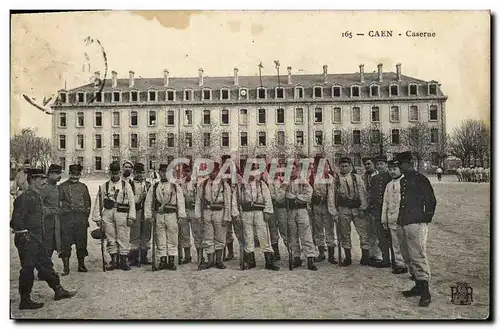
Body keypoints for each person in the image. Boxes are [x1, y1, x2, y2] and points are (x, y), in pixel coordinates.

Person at [10, 168, 77, 310]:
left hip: (37, 239)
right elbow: (15, 222)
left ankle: (58, 290)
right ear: (32, 180)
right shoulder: (24, 198)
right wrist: (25, 235)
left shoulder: (36, 196)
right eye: (40, 178)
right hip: (27, 239)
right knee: (27, 269)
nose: (44, 181)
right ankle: (25, 300)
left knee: (46, 264)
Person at [395, 151, 436, 307]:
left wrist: (426, 218)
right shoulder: (403, 180)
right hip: (403, 221)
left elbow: (431, 200)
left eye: (401, 164)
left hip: (415, 222)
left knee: (418, 255)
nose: (399, 166)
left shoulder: (420, 179)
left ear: (409, 163)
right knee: (407, 256)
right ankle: (418, 285)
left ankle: (425, 291)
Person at [233, 164, 280, 271]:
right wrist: (236, 215)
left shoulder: (261, 184)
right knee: (248, 236)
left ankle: (269, 262)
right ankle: (250, 262)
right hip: (246, 213)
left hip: (260, 213)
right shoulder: (240, 186)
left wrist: (268, 211)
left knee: (264, 235)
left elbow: (267, 198)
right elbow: (234, 201)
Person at [92, 161, 136, 271]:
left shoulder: (126, 185)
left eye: (116, 173)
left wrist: (131, 216)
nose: (114, 175)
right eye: (112, 173)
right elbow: (99, 201)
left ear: (120, 173)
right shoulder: (104, 186)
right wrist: (97, 217)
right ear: (110, 173)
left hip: (122, 212)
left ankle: (123, 260)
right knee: (110, 236)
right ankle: (114, 259)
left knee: (123, 236)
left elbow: (131, 201)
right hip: (108, 212)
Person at [327, 157, 370, 266]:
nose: (344, 168)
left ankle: (365, 257)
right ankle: (348, 257)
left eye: (346, 166)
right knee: (344, 234)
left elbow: (363, 193)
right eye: (342, 166)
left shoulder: (356, 178)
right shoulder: (336, 180)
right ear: (339, 167)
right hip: (343, 209)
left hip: (357, 209)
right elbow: (331, 196)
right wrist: (334, 213)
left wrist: (363, 207)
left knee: (363, 232)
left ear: (350, 166)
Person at [144, 163, 186, 270]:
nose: (164, 174)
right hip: (159, 215)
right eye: (162, 172)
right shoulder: (155, 186)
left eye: (166, 172)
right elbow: (148, 201)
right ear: (159, 173)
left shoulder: (175, 186)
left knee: (172, 237)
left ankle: (171, 261)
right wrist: (148, 215)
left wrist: (181, 215)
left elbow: (180, 201)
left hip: (171, 215)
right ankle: (162, 260)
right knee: (160, 237)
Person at [195, 162, 233, 270]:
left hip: (219, 212)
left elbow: (227, 202)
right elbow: (199, 200)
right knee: (208, 237)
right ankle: (210, 260)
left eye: (216, 171)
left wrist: (226, 217)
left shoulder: (224, 185)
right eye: (212, 171)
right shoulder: (203, 184)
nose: (214, 173)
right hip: (207, 212)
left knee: (220, 237)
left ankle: (218, 260)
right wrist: (198, 215)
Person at [58, 164, 92, 275]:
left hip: (80, 219)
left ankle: (81, 265)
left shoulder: (83, 187)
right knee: (65, 243)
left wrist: (85, 215)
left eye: (77, 175)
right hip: (67, 219)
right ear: (69, 174)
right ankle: (66, 267)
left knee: (81, 242)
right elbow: (59, 203)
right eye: (73, 174)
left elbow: (88, 202)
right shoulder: (62, 187)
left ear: (80, 175)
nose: (74, 177)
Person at [381, 160, 412, 275]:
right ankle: (400, 264)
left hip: (404, 219)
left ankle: (411, 266)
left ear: (400, 169)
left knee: (406, 244)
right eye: (390, 169)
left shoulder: (405, 182)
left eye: (395, 169)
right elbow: (385, 202)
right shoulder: (389, 185)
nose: (392, 172)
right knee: (395, 243)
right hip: (392, 219)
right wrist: (384, 219)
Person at [286, 162, 317, 271]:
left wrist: (295, 197)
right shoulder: (285, 183)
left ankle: (310, 258)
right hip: (290, 211)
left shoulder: (303, 181)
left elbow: (309, 195)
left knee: (306, 234)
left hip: (302, 210)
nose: (291, 171)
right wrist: (286, 196)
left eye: (293, 169)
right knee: (293, 236)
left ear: (296, 170)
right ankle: (296, 258)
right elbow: (280, 197)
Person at [310, 157, 338, 264]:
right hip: (316, 206)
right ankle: (321, 254)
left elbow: (333, 194)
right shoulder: (311, 177)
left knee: (329, 230)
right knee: (318, 230)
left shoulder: (330, 178)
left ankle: (331, 255)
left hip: (327, 207)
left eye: (325, 165)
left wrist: (333, 209)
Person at [367, 155, 392, 268]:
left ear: (386, 165)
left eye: (382, 164)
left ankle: (397, 261)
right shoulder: (374, 178)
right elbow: (371, 194)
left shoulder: (391, 177)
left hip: (390, 211)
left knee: (393, 238)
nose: (380, 166)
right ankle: (385, 259)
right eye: (377, 164)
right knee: (381, 237)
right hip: (377, 212)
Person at [128, 163, 152, 266]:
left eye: (141, 173)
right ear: (134, 173)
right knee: (135, 234)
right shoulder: (129, 184)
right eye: (137, 172)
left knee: (146, 233)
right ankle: (134, 257)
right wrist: (139, 198)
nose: (139, 175)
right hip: (136, 211)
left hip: (145, 211)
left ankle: (143, 256)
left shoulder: (148, 184)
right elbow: (129, 200)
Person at [179, 165, 204, 265]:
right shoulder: (180, 184)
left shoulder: (196, 184)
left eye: (189, 171)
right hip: (184, 210)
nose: (187, 173)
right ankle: (187, 256)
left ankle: (200, 256)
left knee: (197, 233)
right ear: (183, 173)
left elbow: (200, 198)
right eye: (185, 172)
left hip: (194, 210)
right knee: (184, 234)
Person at [40, 164, 63, 260]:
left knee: (54, 243)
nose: (59, 176)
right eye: (57, 173)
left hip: (56, 221)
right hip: (46, 221)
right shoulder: (44, 187)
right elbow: (39, 205)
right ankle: (45, 269)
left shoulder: (57, 187)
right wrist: (50, 211)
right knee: (46, 244)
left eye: (59, 173)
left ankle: (47, 267)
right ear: (50, 174)